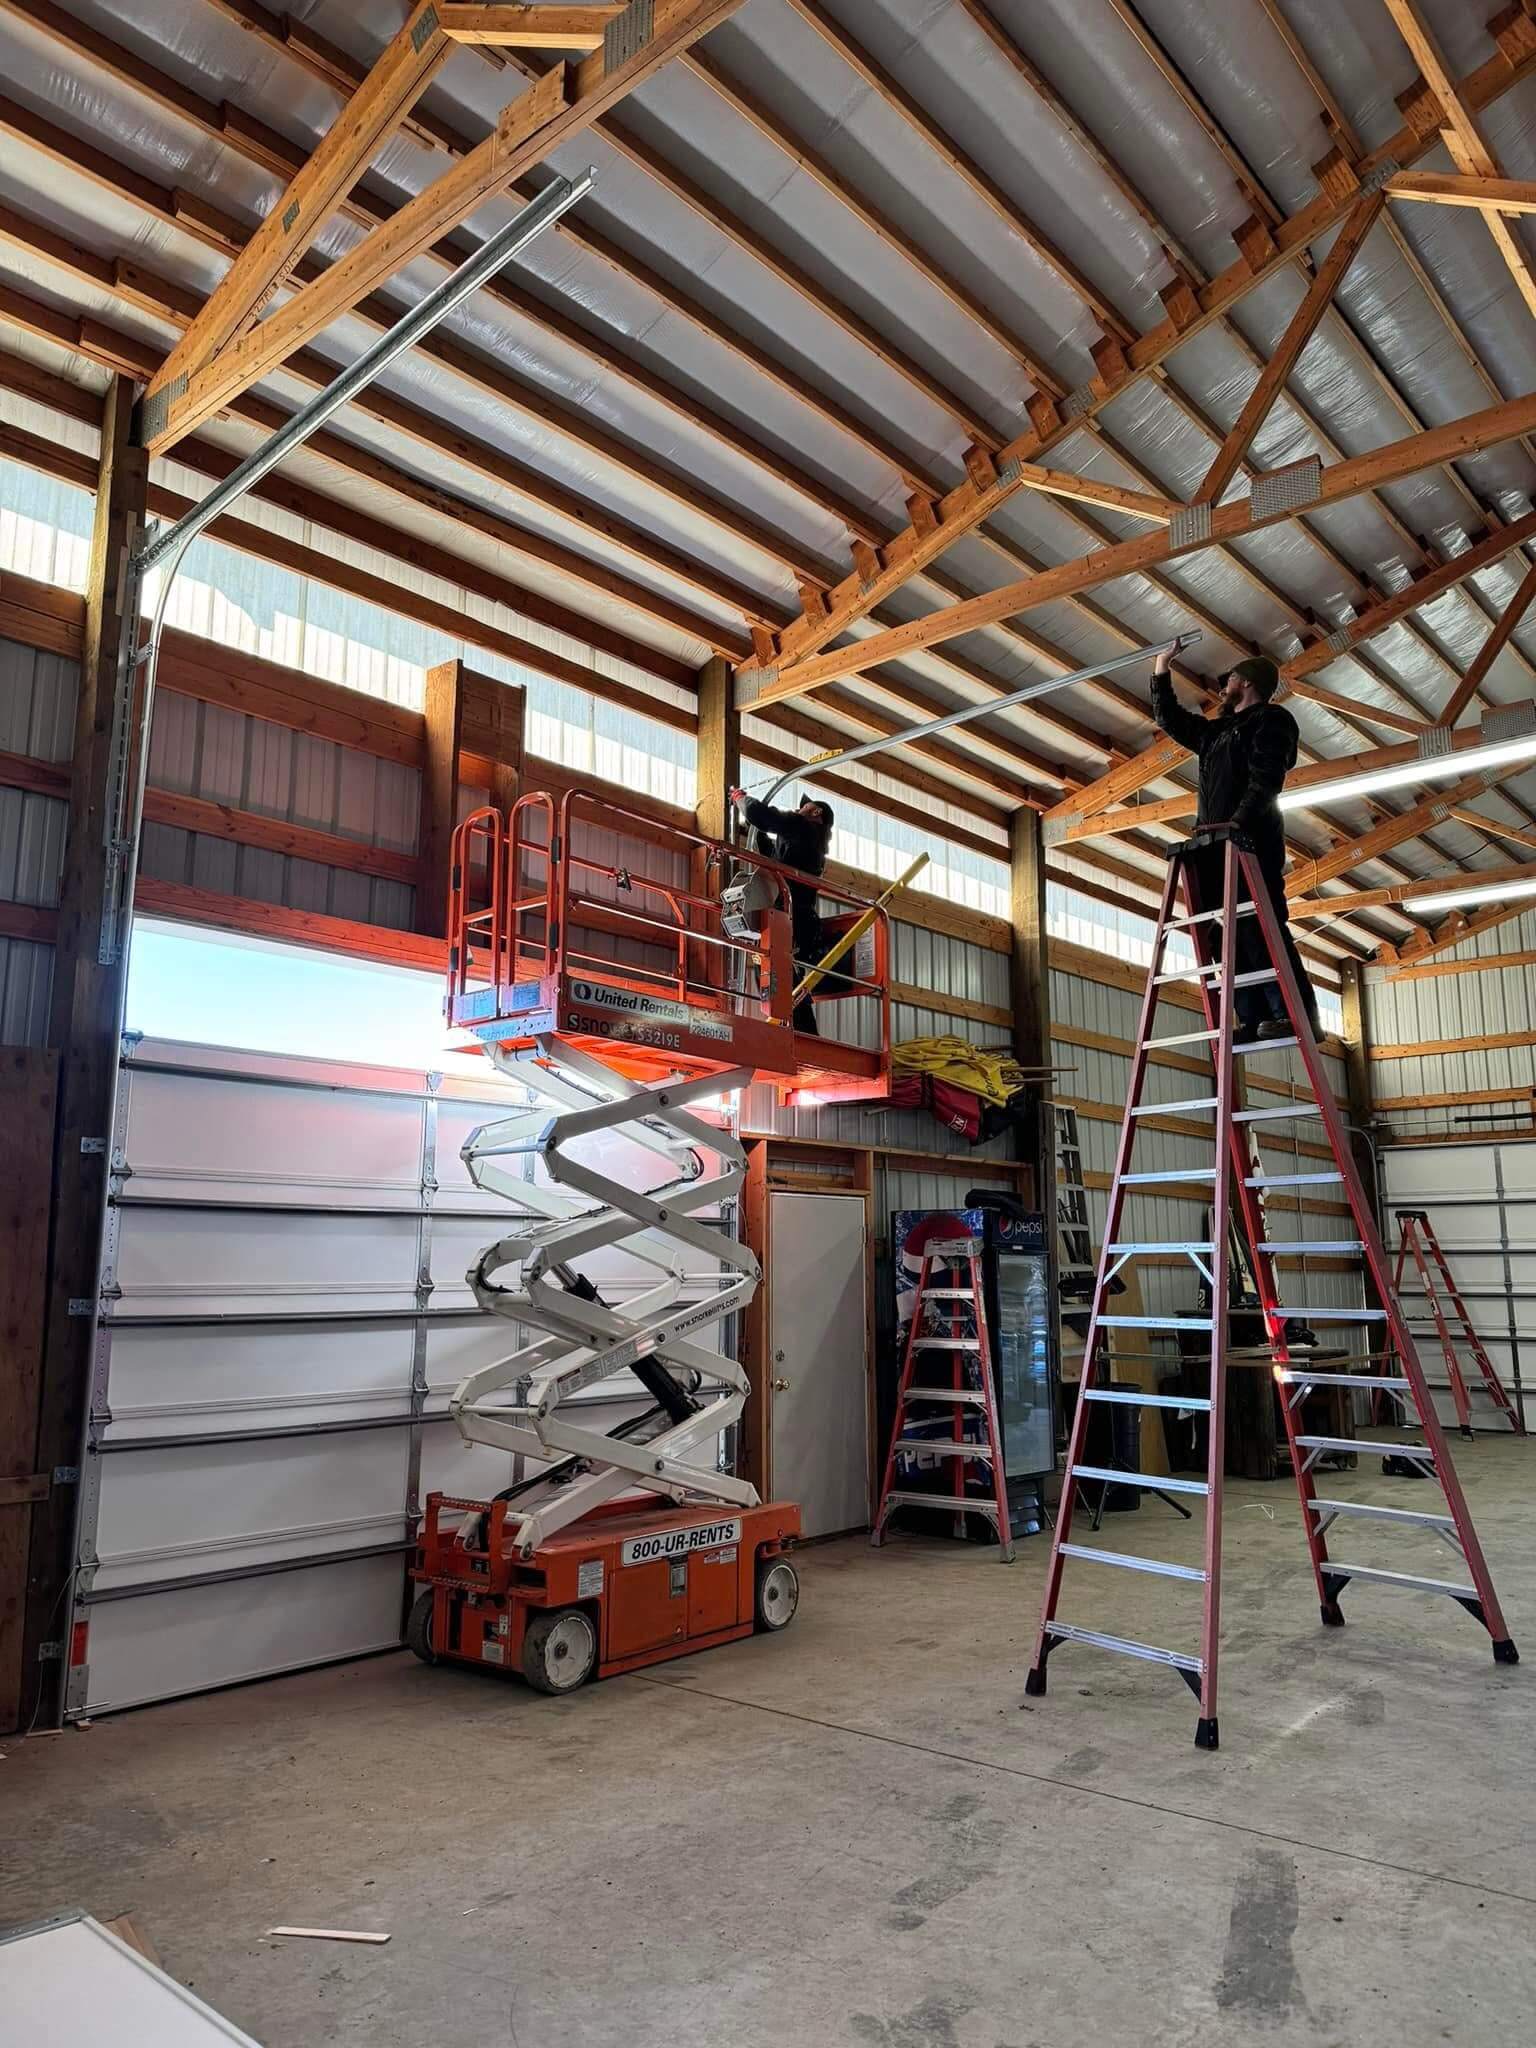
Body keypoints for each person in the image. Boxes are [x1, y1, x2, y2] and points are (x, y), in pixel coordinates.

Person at [1149, 649, 1320, 1041]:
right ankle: (1252, 1016)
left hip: (1250, 842)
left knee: (1262, 927)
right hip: (1212, 847)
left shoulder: (1272, 720)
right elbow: (1169, 719)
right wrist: (1161, 669)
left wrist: (1237, 825)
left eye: (1229, 679)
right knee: (1222, 934)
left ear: (1245, 683)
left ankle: (1292, 1013)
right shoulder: (1215, 733)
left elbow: (1266, 779)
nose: (1223, 686)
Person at [728, 788, 835, 1033]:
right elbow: (775, 860)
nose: (798, 810)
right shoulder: (806, 844)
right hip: (794, 918)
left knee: (776, 975)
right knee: (780, 976)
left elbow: (759, 813)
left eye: (803, 808)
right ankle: (800, 1033)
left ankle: (802, 1035)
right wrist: (757, 833)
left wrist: (739, 798)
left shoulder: (803, 827)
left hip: (789, 916)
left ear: (816, 812)